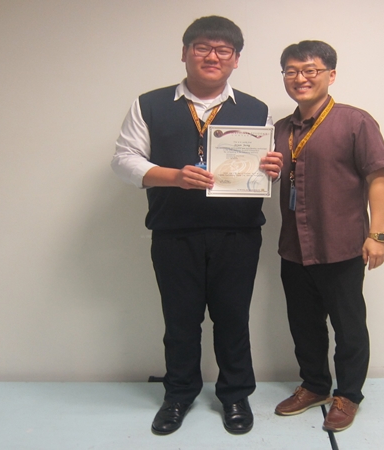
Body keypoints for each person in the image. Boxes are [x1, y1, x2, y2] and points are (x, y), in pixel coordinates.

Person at [111, 16, 283, 436]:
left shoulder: (256, 108)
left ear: (236, 59)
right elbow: (123, 160)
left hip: (238, 233)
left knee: (233, 319)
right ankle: (178, 394)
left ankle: (235, 394)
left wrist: (272, 169)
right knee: (180, 321)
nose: (212, 56)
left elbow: (263, 168)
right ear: (185, 52)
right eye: (202, 47)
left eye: (223, 50)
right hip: (175, 232)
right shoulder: (149, 104)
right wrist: (173, 176)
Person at [272, 40, 384, 432]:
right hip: (294, 247)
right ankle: (314, 386)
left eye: (310, 70)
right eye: (292, 71)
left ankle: (348, 395)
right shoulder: (279, 130)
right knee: (303, 325)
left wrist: (378, 235)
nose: (300, 78)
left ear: (331, 75)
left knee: (349, 327)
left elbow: (377, 179)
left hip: (341, 245)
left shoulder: (356, 122)